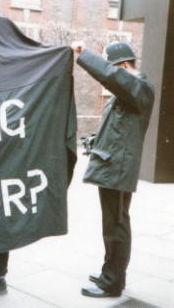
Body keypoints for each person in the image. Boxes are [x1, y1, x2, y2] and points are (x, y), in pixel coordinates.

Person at [71, 41, 155, 298]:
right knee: (112, 225)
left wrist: (84, 55)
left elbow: (111, 77)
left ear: (124, 66)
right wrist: (96, 141)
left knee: (116, 226)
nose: (113, 73)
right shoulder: (129, 91)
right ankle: (111, 272)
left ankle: (112, 283)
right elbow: (119, 128)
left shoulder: (139, 86)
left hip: (118, 170)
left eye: (114, 68)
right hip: (112, 166)